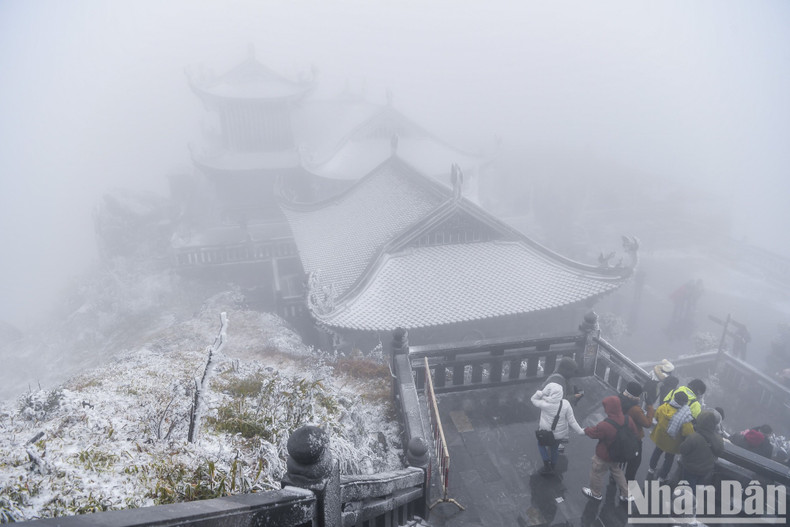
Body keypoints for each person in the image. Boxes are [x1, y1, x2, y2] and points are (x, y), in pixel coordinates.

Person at [582, 396, 639, 503]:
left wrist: (585, 430)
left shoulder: (605, 424)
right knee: (617, 472)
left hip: (604, 455)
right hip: (619, 454)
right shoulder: (628, 419)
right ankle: (627, 494)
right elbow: (635, 433)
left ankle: (595, 493)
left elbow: (593, 433)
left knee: (596, 473)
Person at [531, 382, 585, 474]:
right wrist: (580, 431)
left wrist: (540, 393)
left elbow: (533, 399)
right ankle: (553, 465)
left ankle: (546, 464)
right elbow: (572, 421)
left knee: (541, 445)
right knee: (554, 449)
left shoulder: (544, 404)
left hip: (546, 433)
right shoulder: (566, 404)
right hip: (560, 435)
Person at [648, 391, 695, 481]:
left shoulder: (663, 407)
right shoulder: (684, 416)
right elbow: (688, 432)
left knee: (656, 452)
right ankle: (662, 477)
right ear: (683, 403)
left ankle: (651, 469)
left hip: (660, 437)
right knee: (669, 459)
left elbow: (656, 417)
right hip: (673, 443)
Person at [542, 356, 583, 452]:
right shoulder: (557, 380)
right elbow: (561, 400)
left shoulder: (561, 377)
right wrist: (576, 396)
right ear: (564, 370)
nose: (573, 374)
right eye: (572, 371)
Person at [618, 382, 655, 481]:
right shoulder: (635, 409)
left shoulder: (619, 399)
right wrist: (650, 406)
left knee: (619, 460)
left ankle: (613, 479)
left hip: (620, 435)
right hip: (634, 439)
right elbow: (647, 423)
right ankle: (627, 490)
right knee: (634, 464)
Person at [677, 410, 725, 488]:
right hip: (706, 470)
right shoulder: (719, 439)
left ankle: (687, 497)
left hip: (690, 468)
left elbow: (682, 450)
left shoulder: (693, 437)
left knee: (689, 486)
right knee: (698, 486)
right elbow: (720, 452)